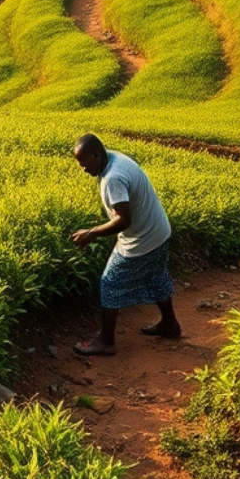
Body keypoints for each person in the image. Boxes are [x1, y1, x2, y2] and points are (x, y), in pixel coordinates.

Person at [69, 133, 181, 356]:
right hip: (159, 231)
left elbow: (123, 220)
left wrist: (92, 233)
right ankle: (170, 324)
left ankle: (106, 341)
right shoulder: (115, 158)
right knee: (155, 276)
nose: (82, 169)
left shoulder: (113, 178)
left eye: (84, 163)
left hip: (143, 238)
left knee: (110, 283)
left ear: (96, 155)